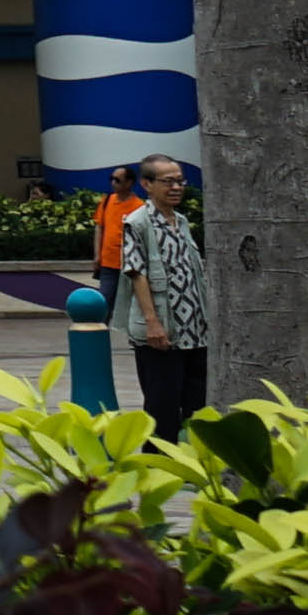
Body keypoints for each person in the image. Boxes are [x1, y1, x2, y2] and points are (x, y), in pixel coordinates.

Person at [115, 152, 212, 425]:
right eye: (168, 182)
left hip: (195, 331)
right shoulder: (137, 223)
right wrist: (152, 323)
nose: (176, 187)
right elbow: (136, 273)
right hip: (162, 332)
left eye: (180, 181)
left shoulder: (181, 221)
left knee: (198, 407)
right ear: (147, 184)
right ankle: (158, 462)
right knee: (162, 409)